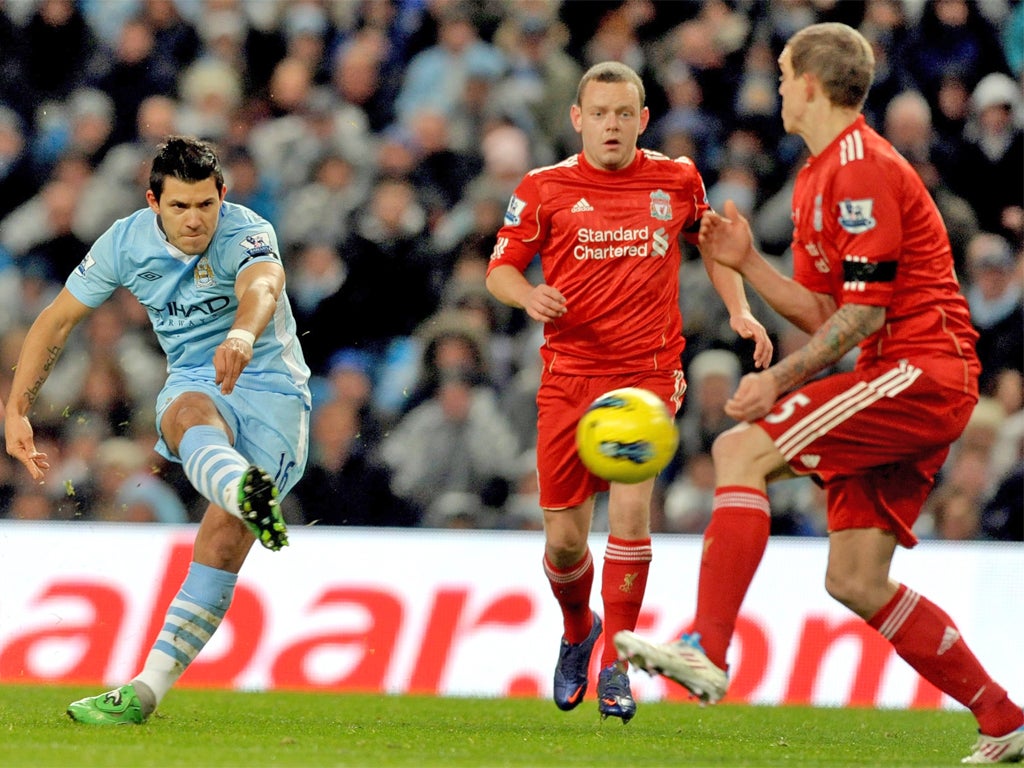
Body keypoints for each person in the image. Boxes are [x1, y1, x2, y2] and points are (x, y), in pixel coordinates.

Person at [613, 23, 1024, 764]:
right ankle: (1003, 717)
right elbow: (825, 310)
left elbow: (865, 315)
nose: (775, 86)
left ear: (809, 82)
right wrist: (749, 262)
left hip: (920, 369)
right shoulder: (814, 178)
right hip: (900, 373)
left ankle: (707, 645)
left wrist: (778, 378)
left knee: (740, 450)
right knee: (855, 579)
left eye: (781, 73)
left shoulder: (862, 169)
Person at [485, 60, 771, 723]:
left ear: (642, 120)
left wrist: (739, 310)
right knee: (564, 544)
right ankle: (578, 628)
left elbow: (713, 247)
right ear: (577, 119)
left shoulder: (677, 179)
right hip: (568, 376)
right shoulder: (544, 188)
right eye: (599, 114)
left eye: (623, 114)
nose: (611, 125)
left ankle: (616, 663)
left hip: (646, 373)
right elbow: (500, 268)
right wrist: (528, 295)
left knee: (633, 513)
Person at [3, 136, 311, 725]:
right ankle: (143, 694)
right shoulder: (125, 242)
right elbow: (58, 320)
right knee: (185, 411)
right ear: (153, 202)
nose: (195, 220)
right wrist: (16, 410)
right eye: (180, 206)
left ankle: (236, 495)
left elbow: (263, 286)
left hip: (273, 391)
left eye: (206, 205)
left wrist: (241, 335)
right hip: (197, 378)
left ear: (223, 196)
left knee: (220, 543)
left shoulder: (248, 231)